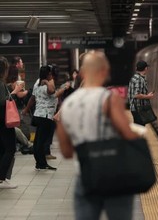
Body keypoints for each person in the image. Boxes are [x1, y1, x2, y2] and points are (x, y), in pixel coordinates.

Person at [56, 51, 139, 220]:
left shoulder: (68, 104)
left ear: (82, 73)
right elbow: (129, 135)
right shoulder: (110, 99)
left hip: (86, 176)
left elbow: (66, 152)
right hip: (114, 176)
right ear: (105, 71)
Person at [0, 56, 22, 189]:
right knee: (10, 148)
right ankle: (2, 178)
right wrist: (14, 92)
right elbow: (2, 101)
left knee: (2, 148)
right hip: (3, 120)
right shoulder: (0, 83)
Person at [32, 66, 59, 170]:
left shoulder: (37, 84)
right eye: (50, 74)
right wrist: (48, 82)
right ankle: (41, 164)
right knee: (41, 142)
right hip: (45, 116)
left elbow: (32, 97)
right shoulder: (45, 85)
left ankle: (40, 163)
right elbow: (52, 91)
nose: (51, 76)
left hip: (38, 115)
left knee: (38, 140)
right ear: (48, 74)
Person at [128, 60, 154, 126]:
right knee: (140, 127)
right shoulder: (139, 79)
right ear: (145, 68)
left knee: (138, 127)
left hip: (134, 107)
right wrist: (148, 96)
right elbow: (136, 95)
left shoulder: (134, 77)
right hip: (138, 108)